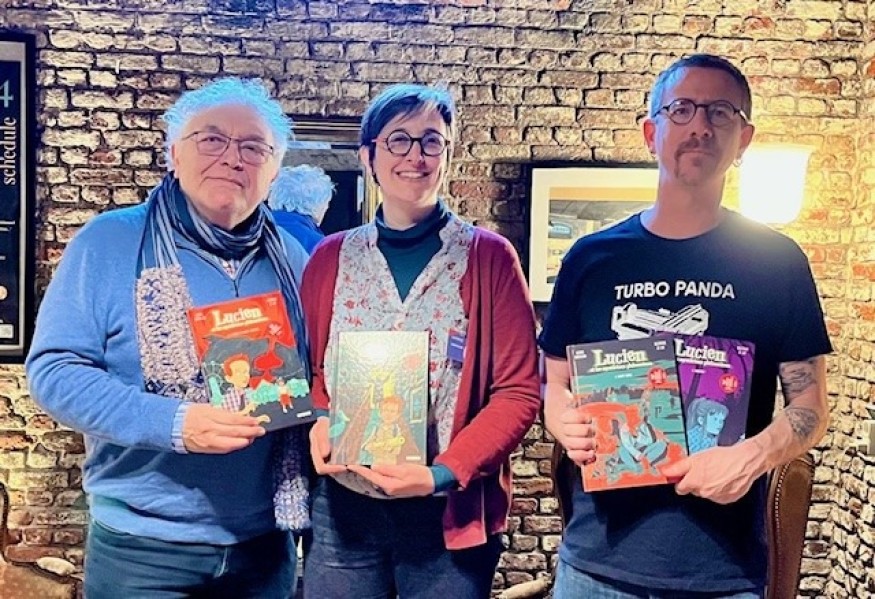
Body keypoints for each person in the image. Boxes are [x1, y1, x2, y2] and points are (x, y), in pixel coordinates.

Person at [541, 54, 832, 598]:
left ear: (744, 139)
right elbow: (553, 384)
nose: (700, 125)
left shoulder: (779, 261)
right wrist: (563, 420)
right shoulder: (589, 258)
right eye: (682, 109)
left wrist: (753, 456)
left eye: (720, 112)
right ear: (651, 133)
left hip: (722, 573)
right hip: (594, 567)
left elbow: (811, 406)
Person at [25, 78, 312, 598]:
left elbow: (317, 374)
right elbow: (55, 372)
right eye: (212, 139)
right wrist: (173, 423)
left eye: (254, 147)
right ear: (174, 155)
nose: (232, 158)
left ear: (274, 170)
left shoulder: (293, 259)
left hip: (265, 545)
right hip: (142, 550)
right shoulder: (108, 242)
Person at [300, 83, 541, 598]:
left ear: (448, 153)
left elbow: (518, 392)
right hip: (343, 508)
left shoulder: (489, 258)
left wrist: (442, 473)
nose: (416, 155)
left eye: (432, 141)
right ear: (368, 155)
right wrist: (320, 417)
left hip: (445, 510)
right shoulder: (330, 258)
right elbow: (315, 370)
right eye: (398, 139)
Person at [267, 164, 335, 253]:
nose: (327, 208)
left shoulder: (252, 232)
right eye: (327, 203)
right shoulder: (320, 246)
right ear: (319, 205)